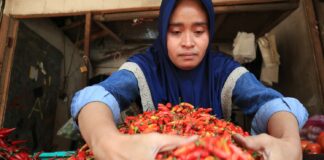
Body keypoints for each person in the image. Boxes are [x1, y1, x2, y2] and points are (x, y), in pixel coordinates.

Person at [71, 0, 308, 159]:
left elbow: (270, 102)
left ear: (210, 31)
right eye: (175, 32)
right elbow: (97, 98)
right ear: (162, 32)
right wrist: (107, 142)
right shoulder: (146, 66)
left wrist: (289, 142)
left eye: (198, 31)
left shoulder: (222, 69)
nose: (187, 42)